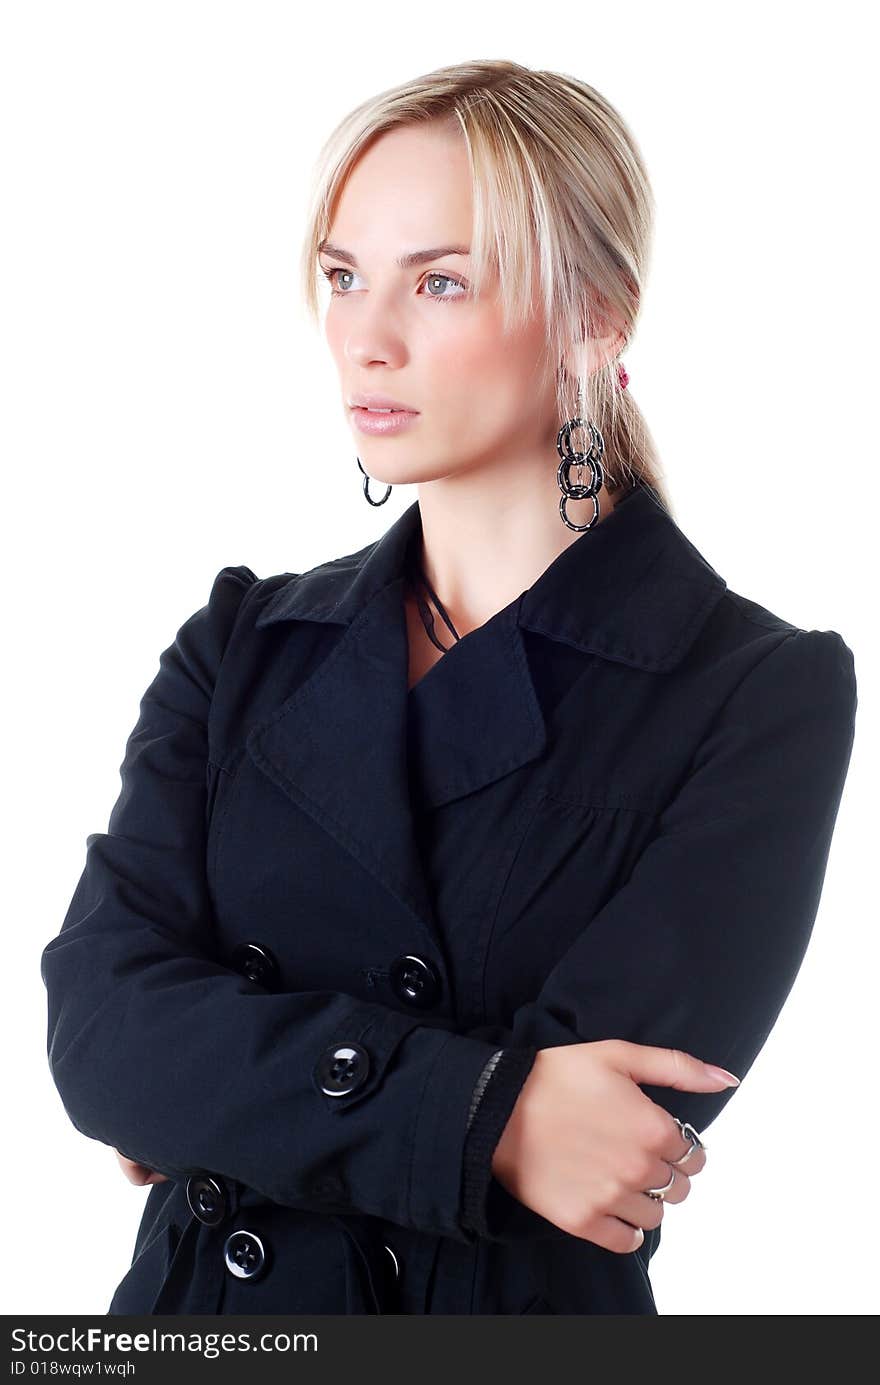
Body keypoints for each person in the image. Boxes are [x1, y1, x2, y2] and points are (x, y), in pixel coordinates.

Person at [40, 59, 857, 1316]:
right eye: (341, 274)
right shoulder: (240, 642)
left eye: (439, 281)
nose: (365, 336)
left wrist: (239, 1095)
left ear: (594, 313)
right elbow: (100, 1035)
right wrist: (488, 1108)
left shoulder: (755, 693)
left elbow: (608, 1143)